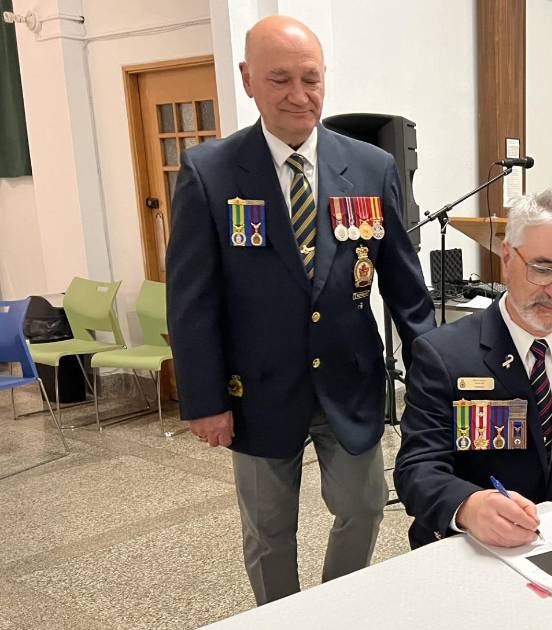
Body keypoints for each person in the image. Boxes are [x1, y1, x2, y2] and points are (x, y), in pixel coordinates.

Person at [165, 15, 434, 605]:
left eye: (309, 79)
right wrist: (205, 399)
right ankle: (278, 619)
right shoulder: (210, 173)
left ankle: (331, 611)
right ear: (247, 80)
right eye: (279, 78)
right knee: (268, 532)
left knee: (364, 509)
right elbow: (191, 300)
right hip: (255, 392)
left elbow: (407, 288)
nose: (297, 95)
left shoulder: (370, 167)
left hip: (350, 382)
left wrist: (434, 379)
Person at [394, 187, 552, 549]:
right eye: (542, 268)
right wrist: (467, 506)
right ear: (507, 258)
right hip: (475, 548)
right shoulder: (443, 353)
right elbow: (418, 468)